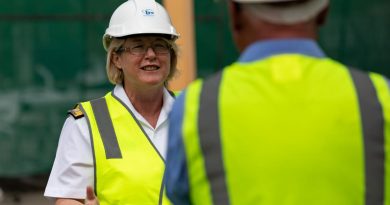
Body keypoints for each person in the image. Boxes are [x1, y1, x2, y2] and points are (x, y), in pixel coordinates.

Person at [165, 0, 390, 204]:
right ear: (323, 11)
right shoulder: (379, 98)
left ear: (234, 13)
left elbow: (180, 195)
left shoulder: (195, 107)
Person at [44, 0, 179, 204]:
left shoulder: (193, 110)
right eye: (138, 47)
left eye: (160, 46)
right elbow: (69, 198)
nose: (150, 55)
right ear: (116, 58)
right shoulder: (86, 122)